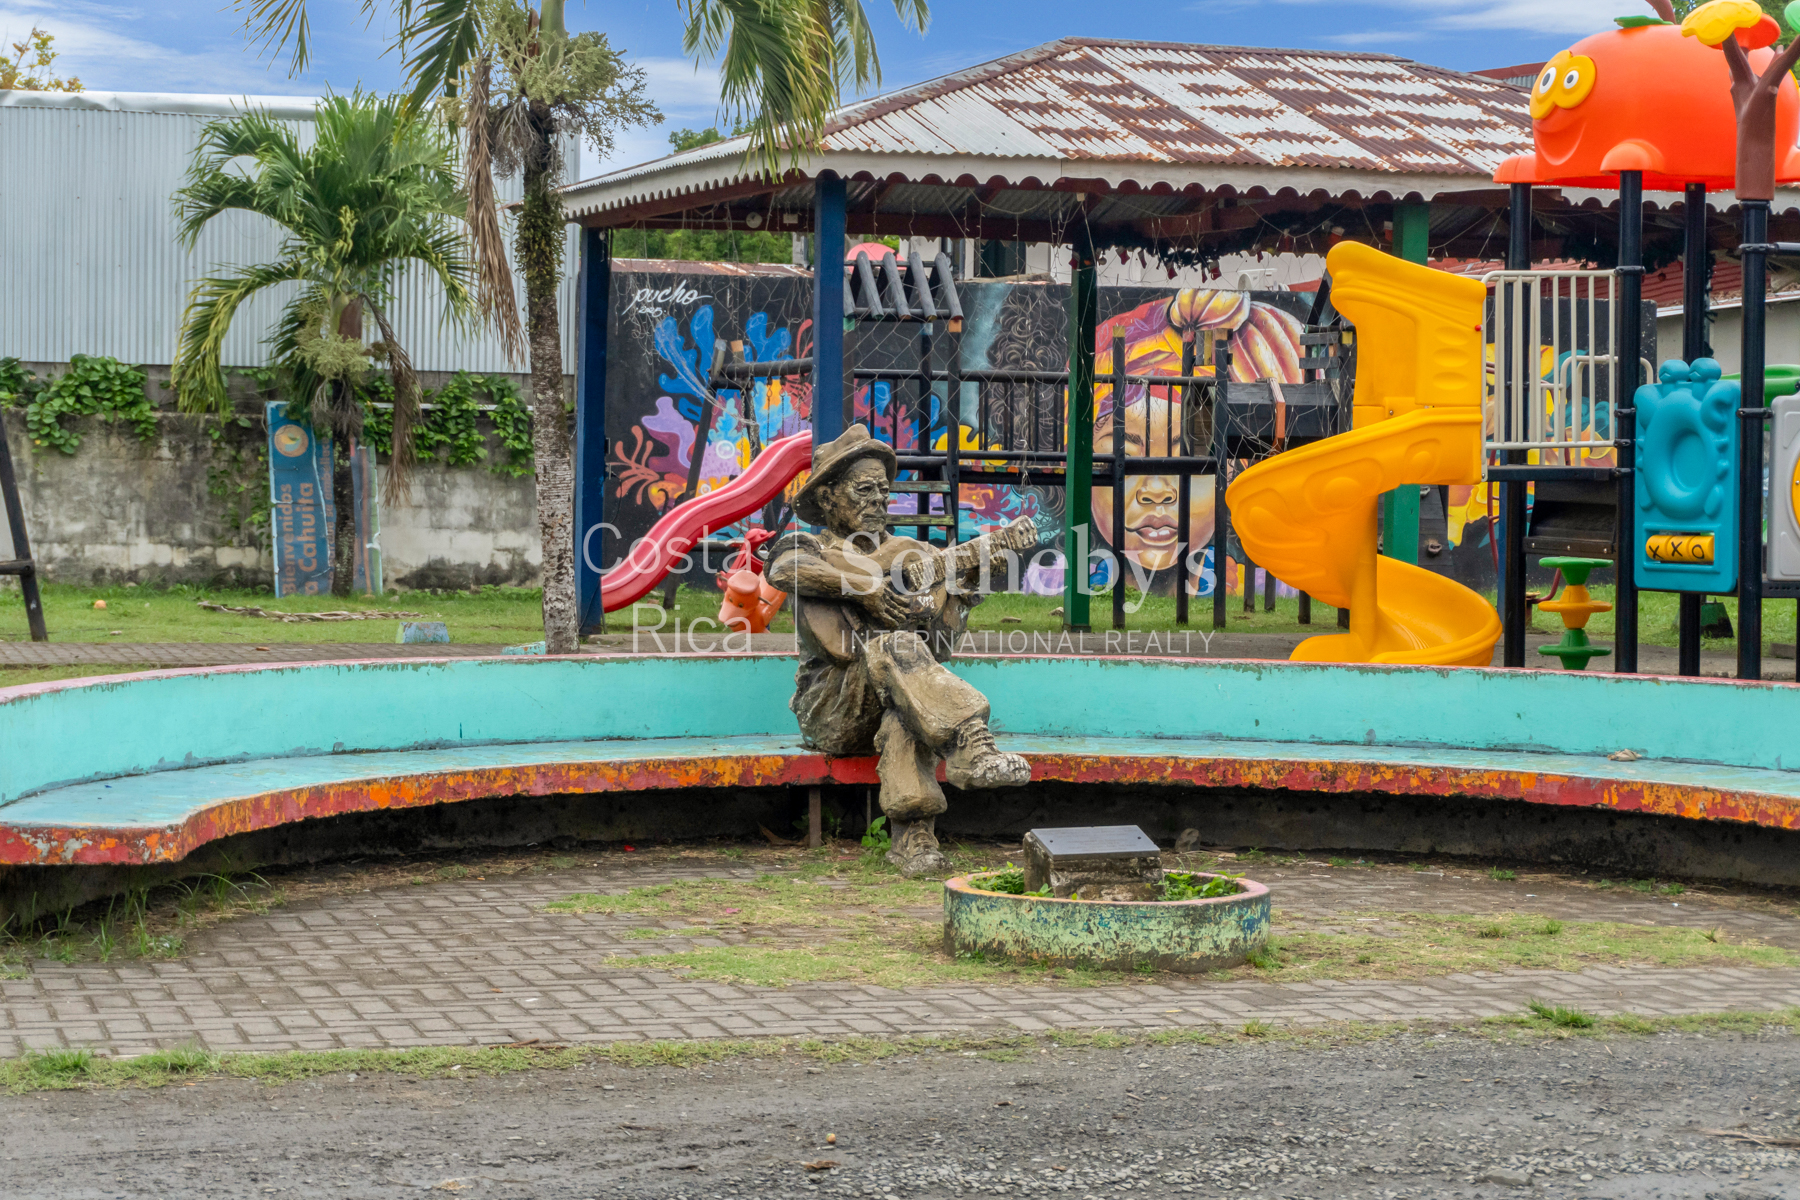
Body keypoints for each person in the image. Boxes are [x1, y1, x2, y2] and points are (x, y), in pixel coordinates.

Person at [767, 425, 1035, 875]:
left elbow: (939, 650)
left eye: (883, 490)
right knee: (898, 654)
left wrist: (963, 594)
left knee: (908, 706)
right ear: (828, 497)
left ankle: (914, 839)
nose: (878, 499)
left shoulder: (913, 553)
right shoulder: (811, 546)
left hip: (897, 694)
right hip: (833, 707)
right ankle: (969, 742)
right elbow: (783, 570)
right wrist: (866, 588)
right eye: (864, 489)